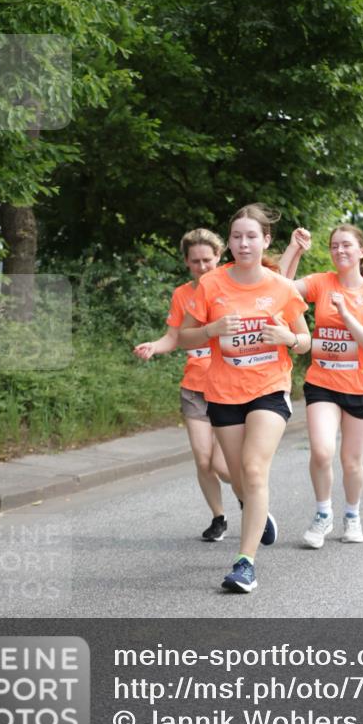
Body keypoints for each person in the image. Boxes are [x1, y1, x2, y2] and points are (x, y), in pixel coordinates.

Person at [179, 204, 310, 593]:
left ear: (266, 240)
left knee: (253, 469)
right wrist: (213, 329)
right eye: (237, 236)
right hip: (222, 392)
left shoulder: (281, 287)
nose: (243, 243)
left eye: (252, 236)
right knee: (238, 477)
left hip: (270, 388)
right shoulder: (211, 285)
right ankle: (258, 511)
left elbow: (304, 341)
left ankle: (244, 563)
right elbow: (185, 337)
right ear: (229, 242)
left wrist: (288, 339)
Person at [284, 225, 363, 549]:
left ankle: (352, 515)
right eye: (334, 246)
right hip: (322, 382)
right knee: (322, 451)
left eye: (346, 245)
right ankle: (323, 513)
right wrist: (294, 249)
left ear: (361, 251)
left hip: (361, 386)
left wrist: (345, 314)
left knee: (351, 461)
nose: (339, 251)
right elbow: (278, 289)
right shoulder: (320, 282)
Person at [134, 228, 232, 541]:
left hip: (231, 385)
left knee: (224, 463)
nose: (202, 267)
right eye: (195, 261)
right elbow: (173, 338)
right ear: (187, 262)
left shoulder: (234, 288)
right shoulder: (182, 295)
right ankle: (219, 517)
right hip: (194, 387)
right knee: (204, 460)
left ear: (219, 257)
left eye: (208, 260)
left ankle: (251, 499)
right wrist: (153, 345)